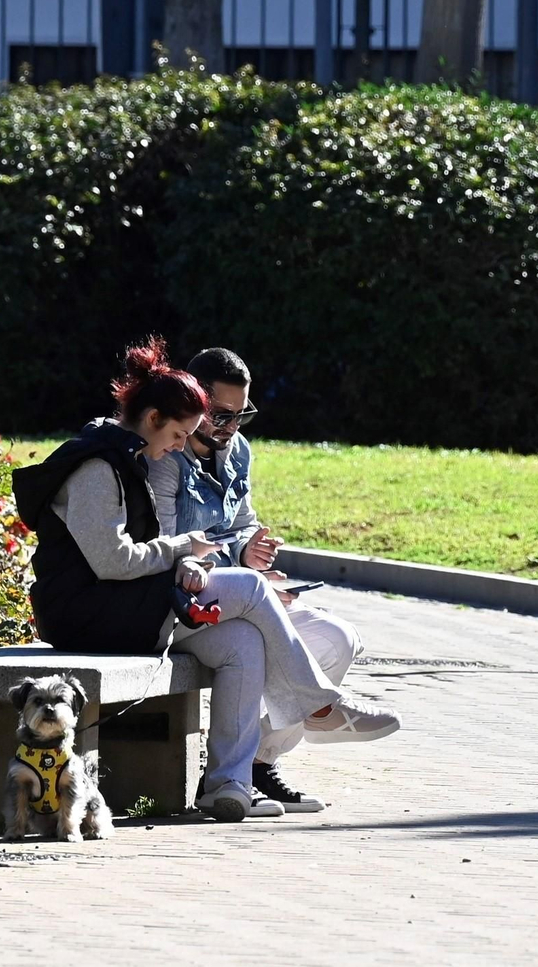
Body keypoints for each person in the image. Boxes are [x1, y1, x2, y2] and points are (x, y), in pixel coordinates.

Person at [11, 336, 399, 823]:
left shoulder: (131, 456)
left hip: (124, 606)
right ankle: (319, 705)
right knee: (253, 589)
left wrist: (186, 561)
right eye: (177, 435)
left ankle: (226, 784)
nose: (178, 448)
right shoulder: (96, 466)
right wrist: (183, 550)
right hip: (87, 615)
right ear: (154, 418)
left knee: (242, 643)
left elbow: (137, 555)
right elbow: (113, 561)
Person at [147, 348, 372, 815]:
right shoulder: (167, 456)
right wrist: (243, 569)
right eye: (221, 415)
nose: (231, 427)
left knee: (338, 638)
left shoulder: (238, 451)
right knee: (248, 631)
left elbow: (241, 524)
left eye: (241, 414)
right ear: (194, 401)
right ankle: (316, 711)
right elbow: (169, 546)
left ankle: (256, 764)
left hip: (233, 596)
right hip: (182, 606)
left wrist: (252, 550)